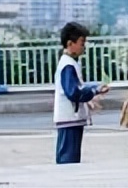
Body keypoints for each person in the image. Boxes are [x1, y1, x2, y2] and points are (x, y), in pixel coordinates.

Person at [54, 22, 109, 164]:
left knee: (69, 155)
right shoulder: (68, 65)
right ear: (70, 43)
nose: (83, 46)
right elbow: (73, 92)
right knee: (69, 158)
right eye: (81, 42)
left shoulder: (69, 63)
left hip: (71, 118)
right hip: (70, 118)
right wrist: (93, 91)